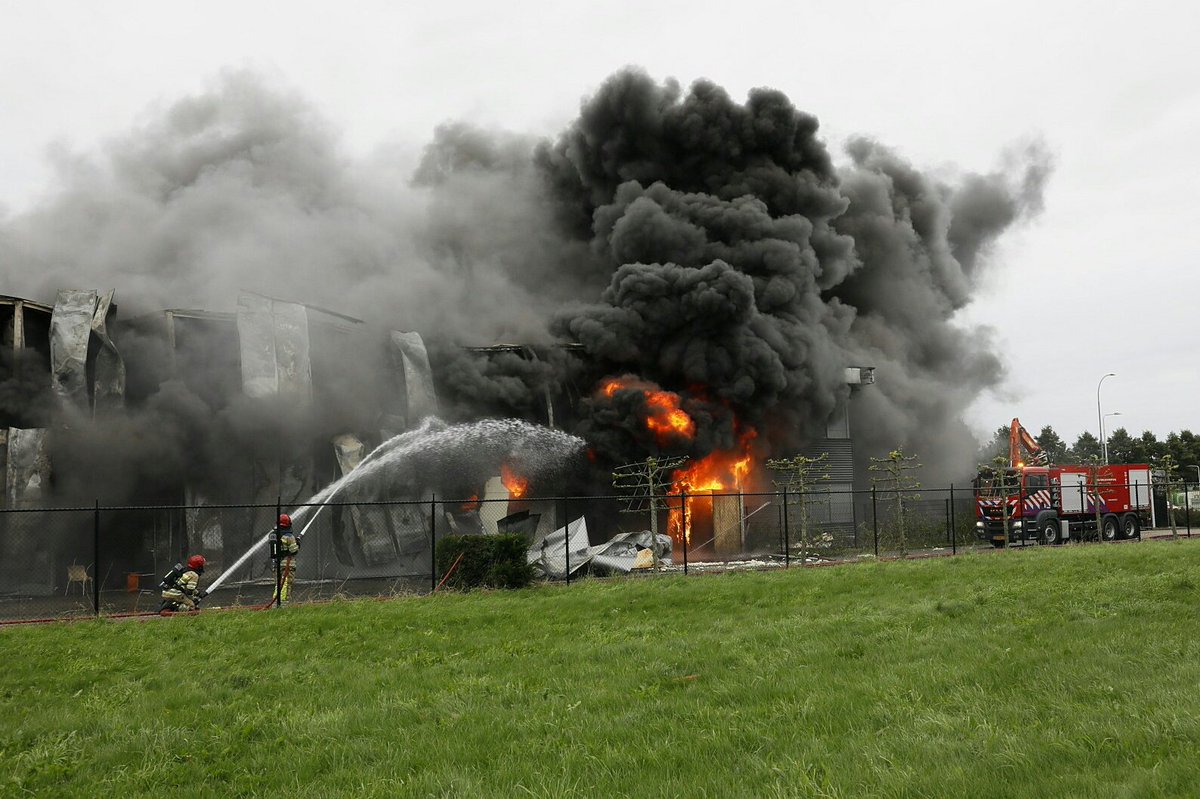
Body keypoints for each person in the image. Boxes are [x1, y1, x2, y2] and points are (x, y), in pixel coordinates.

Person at [271, 513, 300, 603]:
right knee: (287, 585)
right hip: (288, 565)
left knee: (278, 585)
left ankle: (276, 602)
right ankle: (284, 604)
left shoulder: (273, 535)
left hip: (276, 564)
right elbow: (293, 550)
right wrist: (298, 543)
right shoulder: (289, 536)